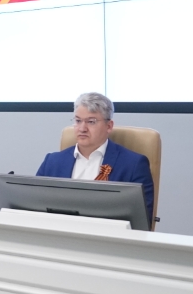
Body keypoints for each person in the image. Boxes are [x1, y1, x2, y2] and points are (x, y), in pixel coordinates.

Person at [36, 92, 154, 225]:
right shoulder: (52, 162)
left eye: (91, 122)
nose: (82, 128)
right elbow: (34, 210)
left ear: (109, 126)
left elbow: (140, 222)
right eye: (78, 121)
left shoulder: (134, 165)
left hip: (107, 236)